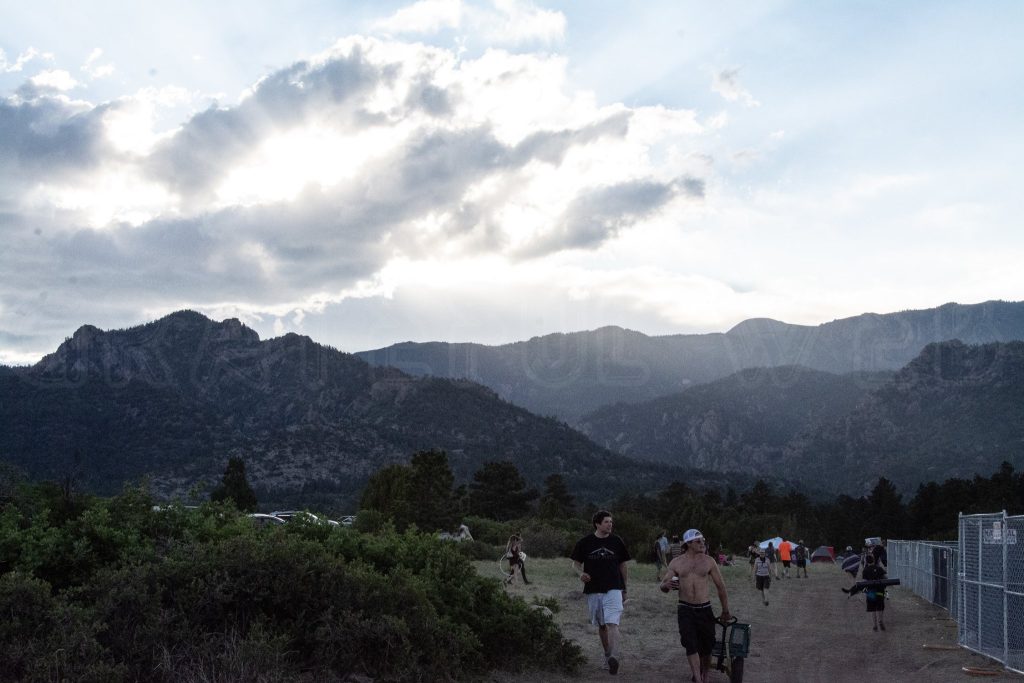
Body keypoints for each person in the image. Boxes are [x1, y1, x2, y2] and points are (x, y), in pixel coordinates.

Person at [661, 528, 731, 683]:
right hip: (685, 609)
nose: (702, 543)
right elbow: (663, 585)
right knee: (690, 644)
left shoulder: (709, 561)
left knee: (707, 646)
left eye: (703, 540)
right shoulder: (676, 562)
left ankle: (705, 674)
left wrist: (725, 610)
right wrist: (666, 586)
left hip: (704, 609)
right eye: (698, 541)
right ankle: (698, 679)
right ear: (688, 543)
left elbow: (721, 587)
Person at [571, 510, 631, 675]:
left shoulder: (617, 541)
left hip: (614, 587)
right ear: (597, 524)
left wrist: (624, 589)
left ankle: (614, 656)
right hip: (593, 589)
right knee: (602, 625)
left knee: (613, 623)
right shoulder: (585, 542)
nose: (610, 524)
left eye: (611, 522)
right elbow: (575, 564)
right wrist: (580, 574)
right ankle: (607, 655)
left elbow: (623, 565)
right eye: (606, 522)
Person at [862, 553, 887, 631]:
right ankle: (880, 620)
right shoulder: (879, 568)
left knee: (873, 609)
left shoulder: (865, 570)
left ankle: (875, 625)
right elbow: (885, 578)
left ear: (866, 561)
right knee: (880, 607)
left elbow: (864, 582)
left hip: (870, 592)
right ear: (874, 560)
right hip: (880, 591)